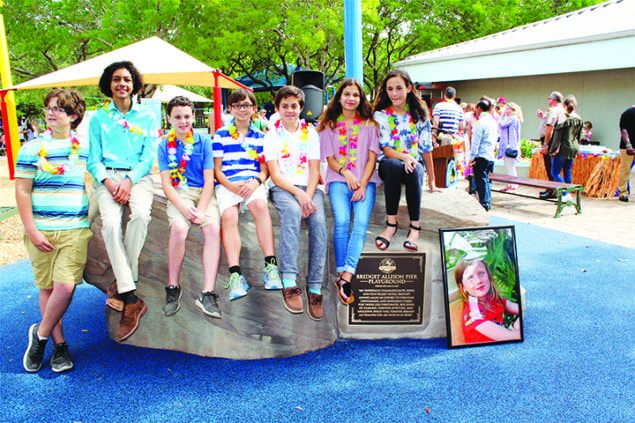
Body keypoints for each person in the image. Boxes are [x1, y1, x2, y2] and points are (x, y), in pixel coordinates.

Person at [16, 89, 91, 372]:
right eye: (48, 108)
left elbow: (103, 172)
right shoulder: (32, 148)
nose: (50, 112)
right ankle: (59, 346)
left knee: (65, 286)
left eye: (58, 109)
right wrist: (31, 230)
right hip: (41, 230)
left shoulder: (84, 146)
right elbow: (22, 192)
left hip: (74, 229)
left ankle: (39, 335)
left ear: (73, 116)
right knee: (47, 287)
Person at [87, 61, 159, 342]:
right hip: (107, 179)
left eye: (127, 79)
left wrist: (129, 182)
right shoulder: (98, 118)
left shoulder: (147, 116)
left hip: (138, 178)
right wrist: (110, 182)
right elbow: (93, 159)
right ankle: (131, 298)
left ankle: (123, 282)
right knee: (110, 227)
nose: (122, 84)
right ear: (109, 84)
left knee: (141, 216)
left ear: (134, 84)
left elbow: (148, 156)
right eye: (116, 79)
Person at [263, 86, 327, 319]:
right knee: (290, 213)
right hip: (283, 188)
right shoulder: (271, 135)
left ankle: (315, 286)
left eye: (294, 106)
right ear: (278, 108)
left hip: (308, 188)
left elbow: (314, 170)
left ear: (301, 108)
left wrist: (308, 195)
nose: (289, 110)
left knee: (318, 221)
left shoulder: (310, 133)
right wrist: (299, 197)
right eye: (284, 106)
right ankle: (289, 280)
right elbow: (276, 175)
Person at [213, 89, 282, 302]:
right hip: (228, 183)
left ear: (254, 108)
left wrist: (256, 183)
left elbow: (265, 170)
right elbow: (217, 170)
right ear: (230, 108)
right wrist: (232, 187)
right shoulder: (220, 135)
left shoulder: (262, 137)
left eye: (246, 105)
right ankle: (235, 275)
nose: (242, 109)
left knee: (260, 207)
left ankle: (271, 267)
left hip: (253, 183)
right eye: (237, 105)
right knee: (229, 217)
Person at [317, 78, 382, 306]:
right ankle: (340, 271)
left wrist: (362, 183)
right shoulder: (330, 126)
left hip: (366, 181)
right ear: (339, 97)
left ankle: (346, 275)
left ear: (361, 98)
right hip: (338, 180)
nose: (351, 99)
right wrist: (347, 174)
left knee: (361, 222)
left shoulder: (370, 126)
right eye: (347, 94)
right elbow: (330, 160)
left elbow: (373, 157)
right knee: (342, 221)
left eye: (355, 95)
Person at [157, 96, 222, 318]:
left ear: (194, 117)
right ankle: (173, 287)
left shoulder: (204, 142)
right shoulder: (164, 144)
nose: (183, 121)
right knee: (179, 228)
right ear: (169, 119)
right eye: (177, 117)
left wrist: (202, 209)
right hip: (179, 194)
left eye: (187, 116)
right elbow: (166, 184)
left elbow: (209, 180)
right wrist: (183, 209)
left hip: (204, 193)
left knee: (213, 229)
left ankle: (208, 292)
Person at [372, 69, 440, 253]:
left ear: (409, 88)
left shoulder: (420, 113)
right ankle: (391, 225)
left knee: (415, 170)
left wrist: (432, 181)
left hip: (412, 166)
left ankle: (415, 228)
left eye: (399, 88)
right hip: (390, 164)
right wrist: (405, 156)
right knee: (394, 165)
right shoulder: (381, 115)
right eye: (390, 89)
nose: (395, 93)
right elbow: (386, 149)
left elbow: (426, 149)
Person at [454, 258, 521, 344]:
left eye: (481, 273)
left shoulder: (492, 298)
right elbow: (511, 337)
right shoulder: (473, 313)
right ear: (462, 288)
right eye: (470, 278)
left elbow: (521, 308)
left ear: (489, 276)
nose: (478, 281)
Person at [549, 95, 583, 203]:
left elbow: (558, 135)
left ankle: (565, 194)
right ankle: (568, 194)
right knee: (567, 171)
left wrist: (552, 149)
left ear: (564, 105)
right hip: (574, 146)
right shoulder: (578, 118)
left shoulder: (564, 117)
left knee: (555, 171)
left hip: (563, 146)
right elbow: (579, 135)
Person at [469, 98, 498, 211]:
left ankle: (484, 203)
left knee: (481, 180)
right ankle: (487, 201)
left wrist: (472, 157)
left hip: (481, 154)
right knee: (486, 179)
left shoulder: (480, 123)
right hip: (490, 154)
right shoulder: (493, 122)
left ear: (479, 109)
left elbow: (476, 141)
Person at [537, 91, 566, 198]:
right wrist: (544, 117)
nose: (548, 100)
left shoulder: (554, 110)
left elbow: (550, 127)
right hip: (553, 140)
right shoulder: (561, 110)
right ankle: (551, 189)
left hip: (550, 140)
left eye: (549, 98)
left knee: (551, 167)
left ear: (552, 100)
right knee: (552, 167)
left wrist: (546, 144)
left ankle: (553, 190)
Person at [496, 102, 523, 192]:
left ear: (513, 110)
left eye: (508, 109)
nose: (506, 111)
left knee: (510, 166)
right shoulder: (514, 119)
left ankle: (513, 185)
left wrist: (502, 115)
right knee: (509, 166)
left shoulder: (512, 118)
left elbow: (500, 124)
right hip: (510, 145)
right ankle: (510, 184)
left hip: (509, 146)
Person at [617, 106, 635, 202]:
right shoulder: (628, 113)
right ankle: (623, 192)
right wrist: (628, 145)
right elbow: (624, 130)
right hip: (627, 146)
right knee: (625, 169)